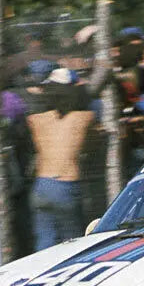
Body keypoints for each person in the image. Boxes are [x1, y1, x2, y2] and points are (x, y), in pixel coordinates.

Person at [26, 68, 97, 250]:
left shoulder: (36, 119)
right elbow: (88, 93)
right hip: (66, 185)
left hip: (41, 185)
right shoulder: (84, 118)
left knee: (44, 243)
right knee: (71, 244)